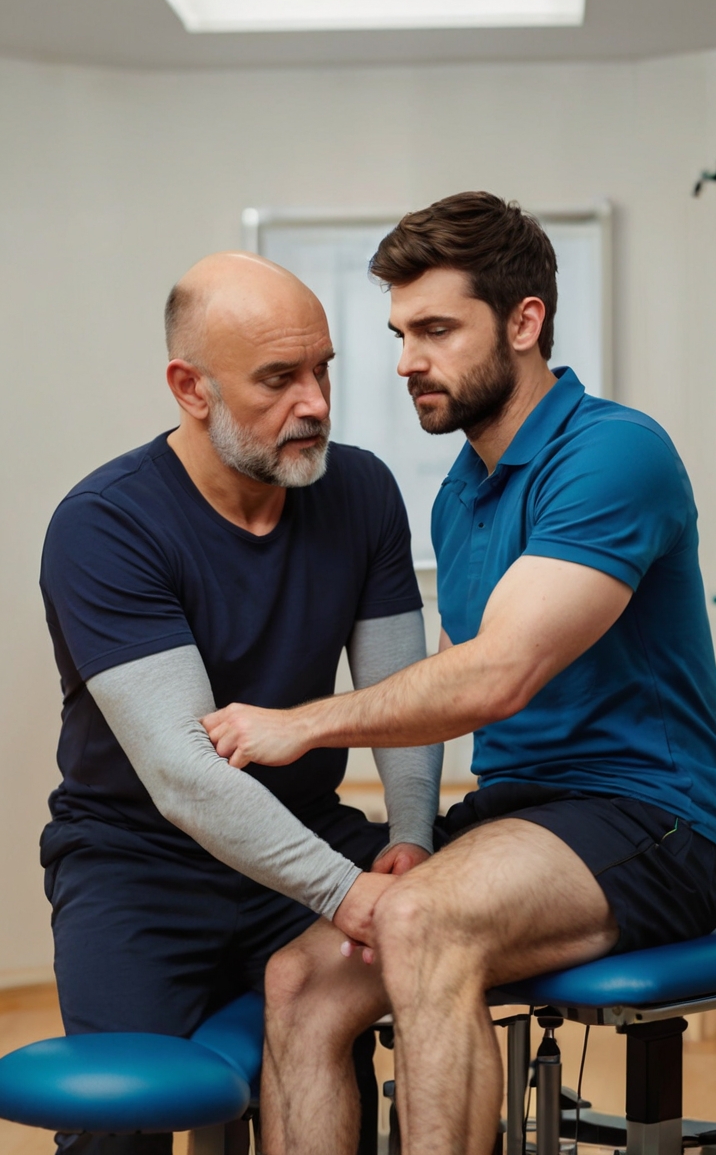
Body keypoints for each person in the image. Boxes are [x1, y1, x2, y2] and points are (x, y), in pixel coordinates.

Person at [203, 192, 716, 1155]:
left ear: (525, 322)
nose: (408, 359)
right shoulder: (461, 492)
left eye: (438, 329)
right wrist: (418, 831)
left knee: (418, 922)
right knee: (300, 981)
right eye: (402, 332)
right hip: (518, 814)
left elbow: (498, 674)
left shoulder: (614, 452)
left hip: (651, 820)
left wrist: (306, 722)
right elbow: (457, 672)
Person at [39, 251, 443, 1155]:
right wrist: (350, 896)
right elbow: (185, 775)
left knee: (335, 1084)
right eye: (278, 380)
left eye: (324, 369)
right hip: (138, 862)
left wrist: (409, 839)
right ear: (191, 388)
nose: (316, 404)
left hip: (308, 832)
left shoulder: (363, 490)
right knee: (118, 1128)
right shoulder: (106, 524)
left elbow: (398, 701)